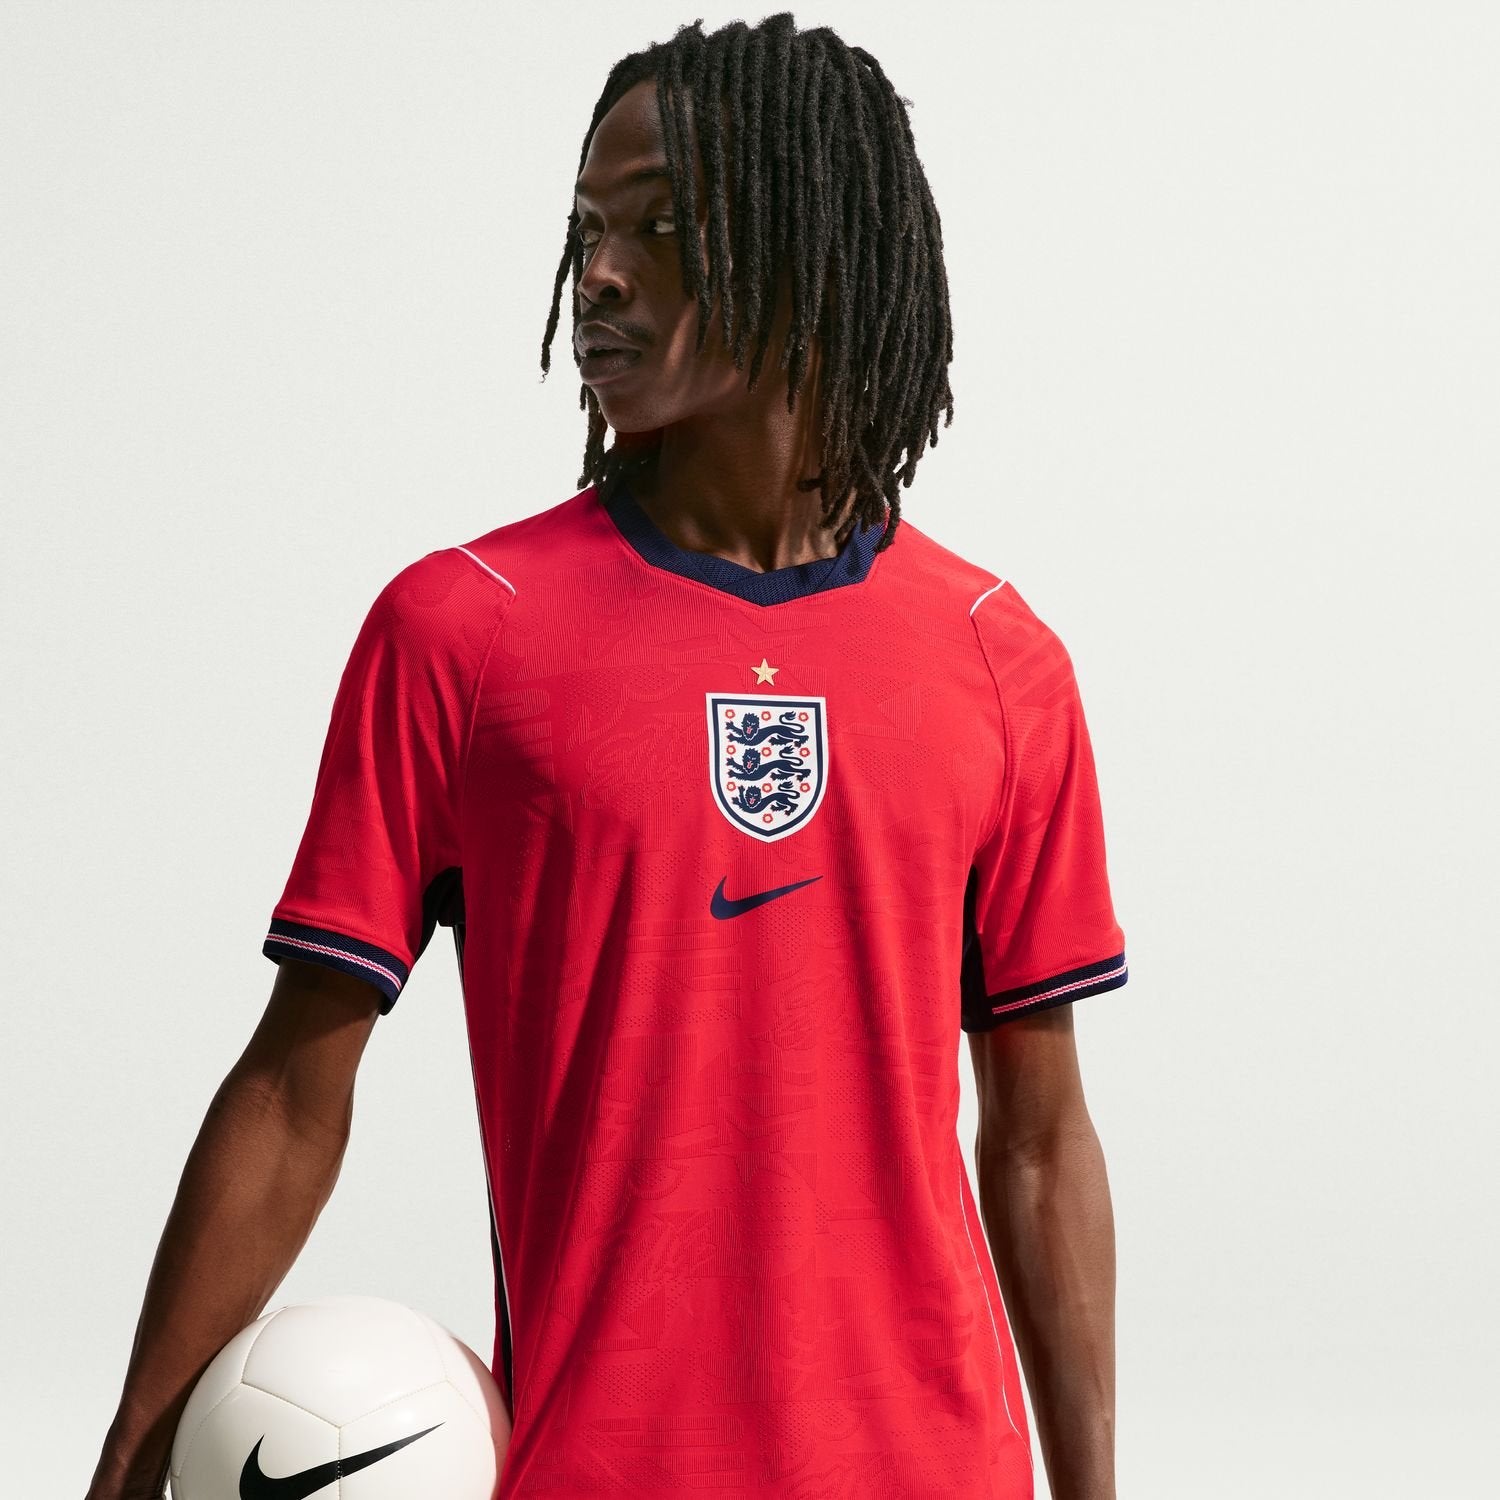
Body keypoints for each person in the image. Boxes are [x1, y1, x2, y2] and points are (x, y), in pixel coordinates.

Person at [87, 14, 1128, 1499]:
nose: (601, 276)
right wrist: (128, 1459)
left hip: (934, 1467)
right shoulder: (463, 629)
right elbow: (294, 1089)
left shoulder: (995, 658)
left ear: (810, 245)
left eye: (661, 227)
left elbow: (1039, 1138)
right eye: (587, 229)